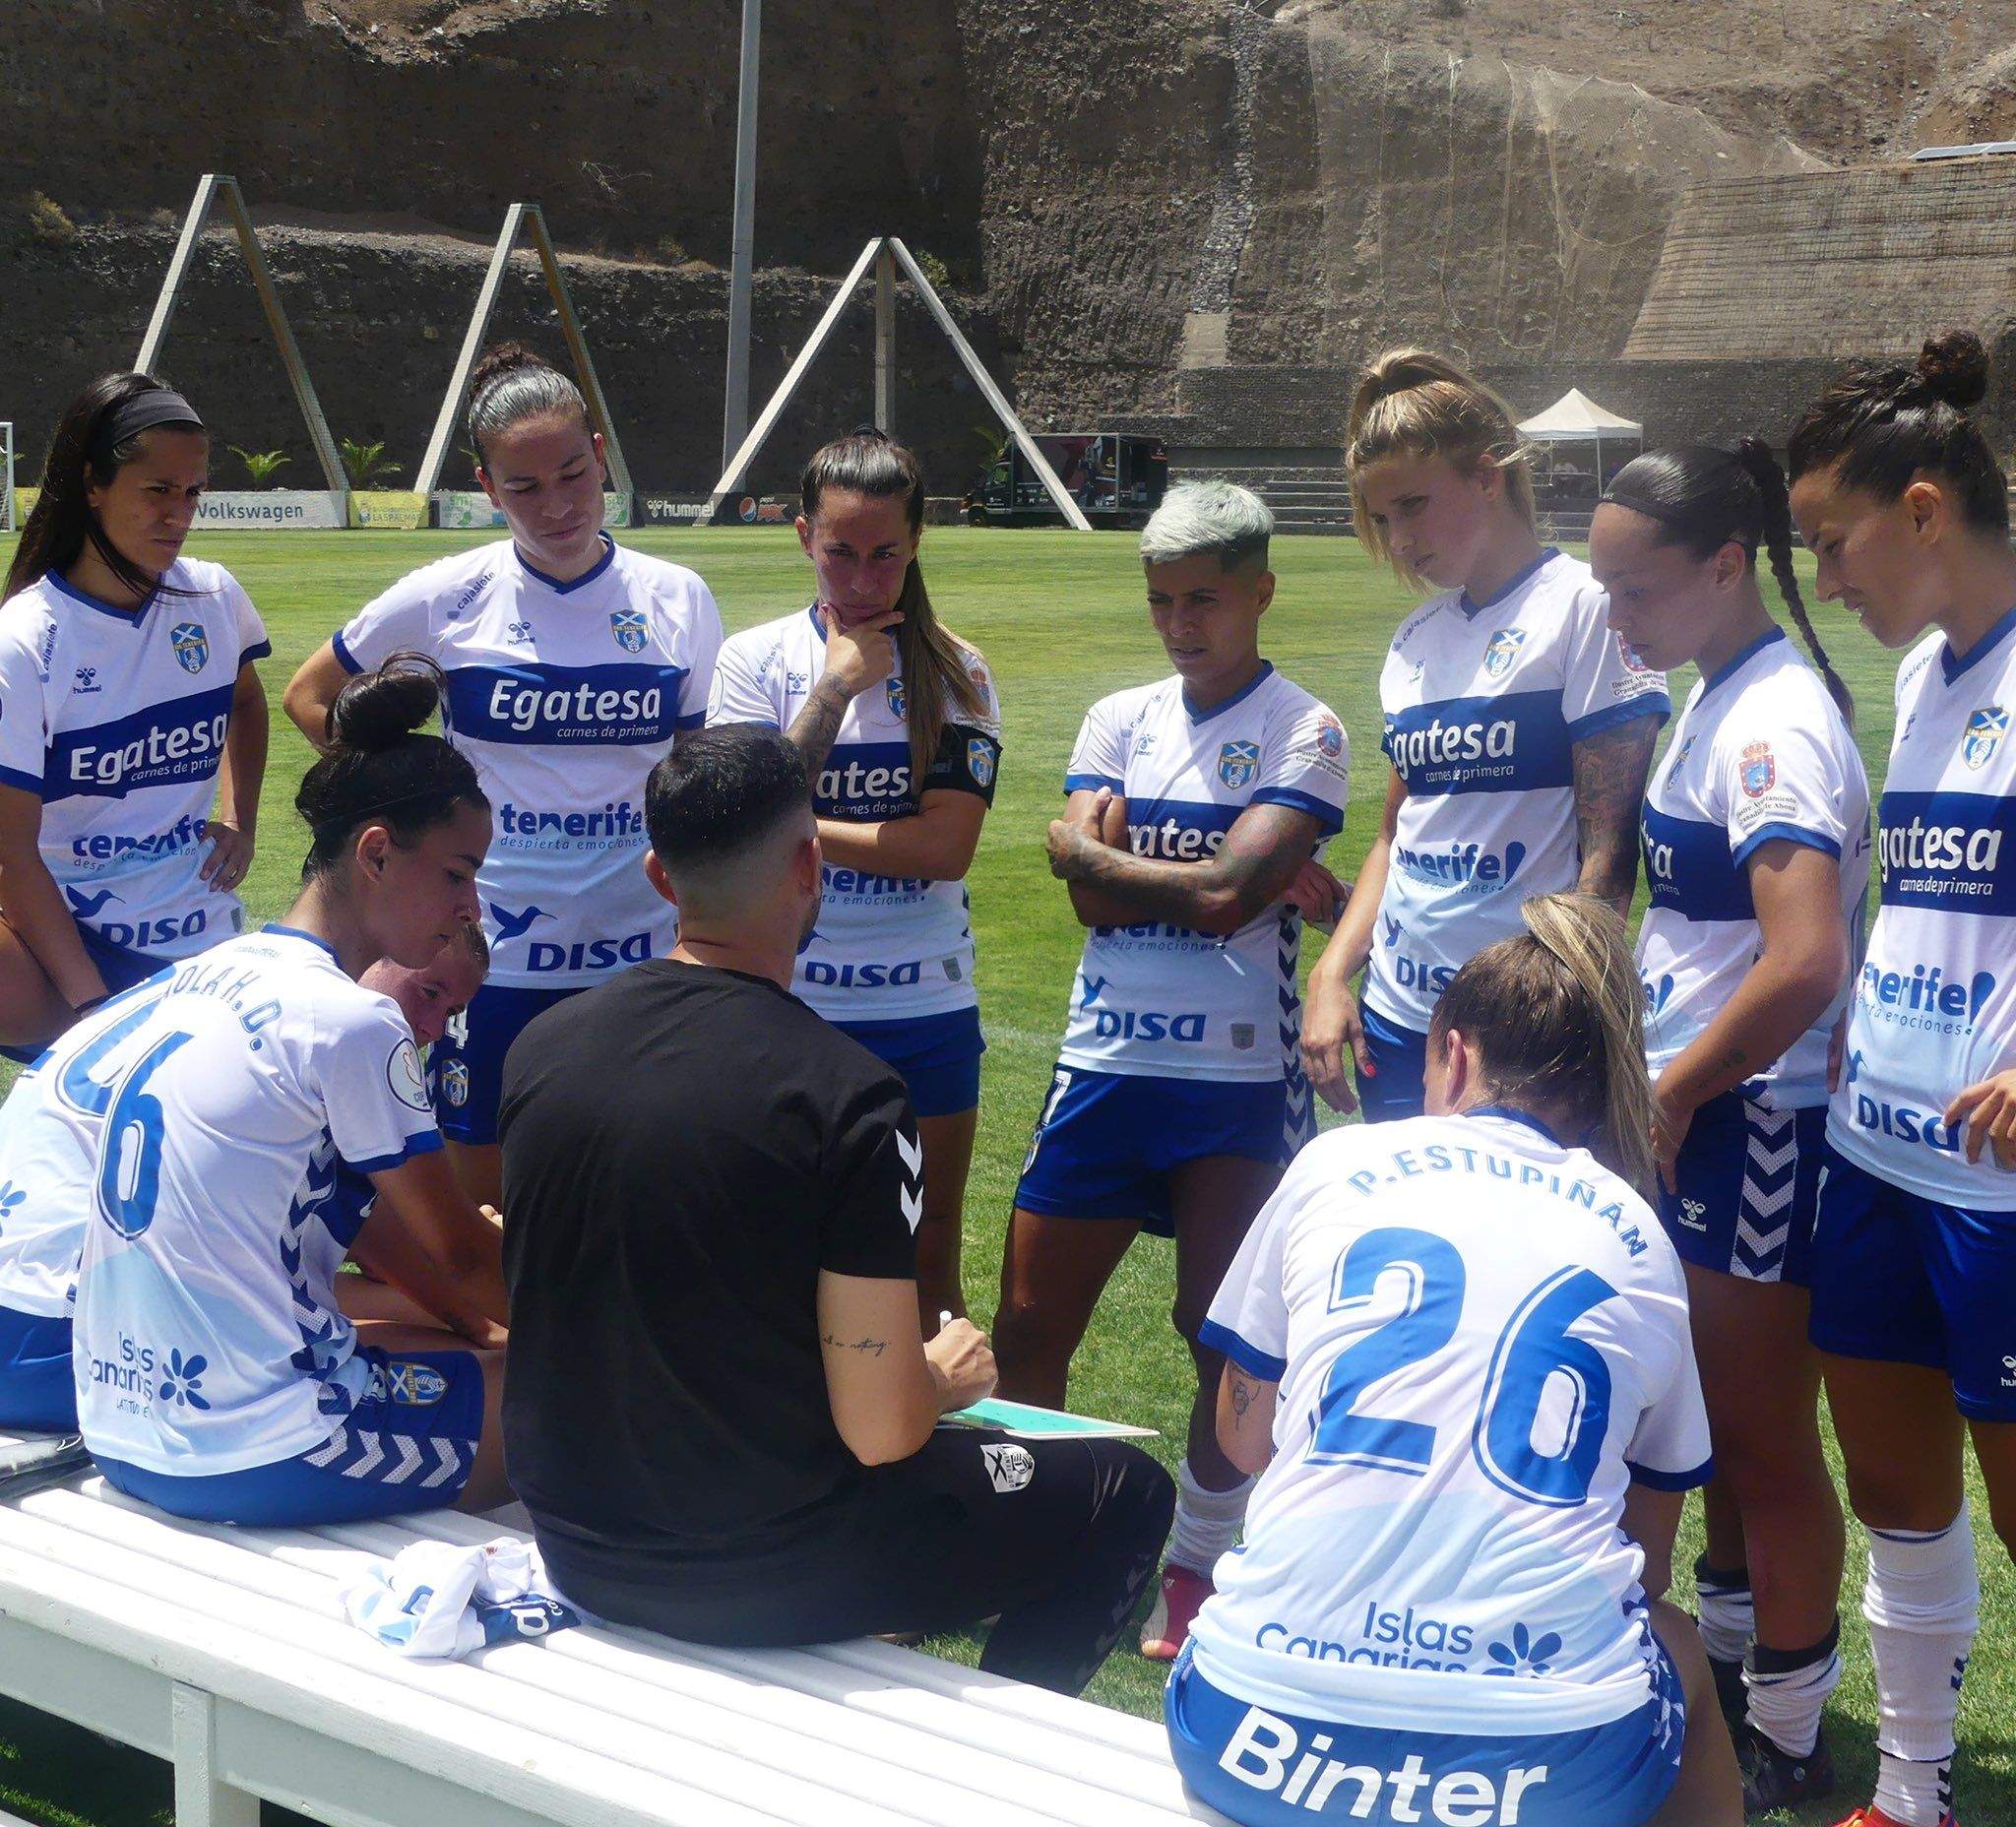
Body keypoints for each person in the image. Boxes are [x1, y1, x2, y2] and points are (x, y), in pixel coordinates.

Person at [498, 726, 1173, 1696]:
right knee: (1125, 1490)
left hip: (576, 1537)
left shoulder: (544, 1048)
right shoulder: (847, 1095)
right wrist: (937, 1380)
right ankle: (990, 1775)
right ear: (809, 864)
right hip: (754, 1568)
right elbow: (879, 1430)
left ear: (658, 874)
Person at [1168, 893, 1740, 1827]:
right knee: (1673, 1647)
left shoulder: (1331, 1166)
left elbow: (1241, 1442)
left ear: (1454, 1052)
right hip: (1545, 1773)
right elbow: (1647, 1558)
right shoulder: (1639, 1236)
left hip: (1252, 1728)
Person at [996, 480, 1351, 1663]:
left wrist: (1096, 849)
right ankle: (1030, 1533)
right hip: (1104, 1060)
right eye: (1160, 600)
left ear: (1257, 590)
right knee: (1030, 1318)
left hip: (1235, 1079)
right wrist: (1142, 871)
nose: (1179, 622)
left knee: (1221, 1331)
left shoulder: (1306, 728)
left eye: (1203, 597)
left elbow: (1218, 897)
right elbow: (1119, 896)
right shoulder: (1117, 717)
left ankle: (1199, 1560)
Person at [1589, 439, 1869, 1814]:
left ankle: (1793, 1736)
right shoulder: (1716, 694)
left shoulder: (1769, 722)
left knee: (1758, 1437)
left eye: (1634, 593)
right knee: (1695, 1420)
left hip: (1758, 1117)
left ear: (1722, 567)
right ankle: (1735, 1674)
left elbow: (1804, 958)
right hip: (1703, 1103)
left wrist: (1681, 1086)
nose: (1616, 623)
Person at [68, 660, 512, 1523]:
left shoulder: (207, 971)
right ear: (377, 852)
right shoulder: (351, 1021)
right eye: (459, 874)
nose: (471, 910)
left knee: (442, 1341)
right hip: (255, 1445)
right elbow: (461, 1261)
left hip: (122, 1426)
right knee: (582, 1392)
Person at [284, 343, 723, 1210]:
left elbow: (693, 772)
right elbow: (309, 695)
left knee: (635, 1190)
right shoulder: (447, 595)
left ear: (601, 453)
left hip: (639, 949)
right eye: (523, 487)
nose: (556, 505)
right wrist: (408, 816)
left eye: (572, 473)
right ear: (485, 487)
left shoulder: (678, 597)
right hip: (490, 953)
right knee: (487, 1203)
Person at [1785, 329, 2016, 1827]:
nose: (1827, 579)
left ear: (1923, 510)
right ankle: (1919, 1788)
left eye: (1834, 542)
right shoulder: (1932, 674)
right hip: (1878, 1155)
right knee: (1894, 1489)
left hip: (1999, 1187)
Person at [1302, 348, 1669, 1124]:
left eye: (1413, 505)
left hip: (1518, 1030)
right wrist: (1333, 971)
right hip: (1400, 1019)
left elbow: (1610, 853)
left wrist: (1549, 1008)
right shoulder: (1413, 639)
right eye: (1381, 518)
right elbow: (1393, 838)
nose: (1399, 539)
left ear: (1486, 474)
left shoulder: (1586, 610)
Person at [707, 428, 1001, 1325]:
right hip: (790, 1006)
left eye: (886, 554)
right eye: (841, 552)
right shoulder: (756, 663)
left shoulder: (957, 670)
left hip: (923, 1009)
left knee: (926, 1263)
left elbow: (942, 851)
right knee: (774, 1256)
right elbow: (738, 830)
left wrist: (800, 828)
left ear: (916, 545)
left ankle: (922, 1459)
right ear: (804, 538)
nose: (864, 579)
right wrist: (832, 690)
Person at [0, 920, 488, 1433]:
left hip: (34, 1310)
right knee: (462, 1360)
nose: (433, 1027)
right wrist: (488, 1319)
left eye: (452, 1013)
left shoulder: (205, 976)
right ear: (382, 949)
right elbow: (421, 1258)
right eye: (429, 993)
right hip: (72, 1346)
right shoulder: (343, 1032)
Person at [0, 372, 269, 1059]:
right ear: (93, 484)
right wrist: (94, 1008)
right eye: (157, 490)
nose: (178, 515)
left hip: (189, 924)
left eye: (193, 494)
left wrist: (240, 817)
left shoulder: (211, 597)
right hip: (60, 935)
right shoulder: (26, 640)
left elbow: (245, 699)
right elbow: (10, 850)